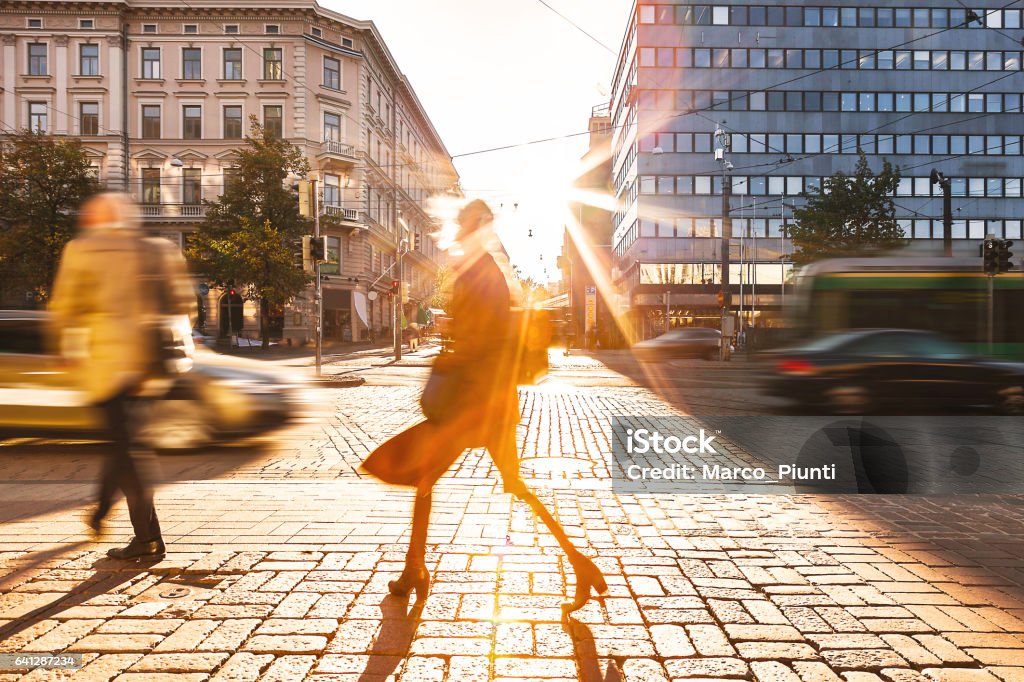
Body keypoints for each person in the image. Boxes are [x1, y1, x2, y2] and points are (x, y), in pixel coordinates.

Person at [362, 199, 607, 614]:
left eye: (466, 224)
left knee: (430, 475)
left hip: (476, 403)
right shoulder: (480, 271)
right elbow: (485, 332)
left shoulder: (482, 273)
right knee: (436, 477)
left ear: (479, 228)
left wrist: (453, 342)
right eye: (459, 223)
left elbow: (485, 339)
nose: (458, 230)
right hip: (482, 399)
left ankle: (578, 562)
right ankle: (414, 567)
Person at [50, 193, 196, 560]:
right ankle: (144, 536)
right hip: (150, 366)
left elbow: (65, 309)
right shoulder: (160, 250)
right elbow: (185, 307)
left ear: (95, 220)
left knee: (126, 449)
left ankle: (117, 520)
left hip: (108, 365)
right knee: (129, 448)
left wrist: (65, 350)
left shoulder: (82, 251)